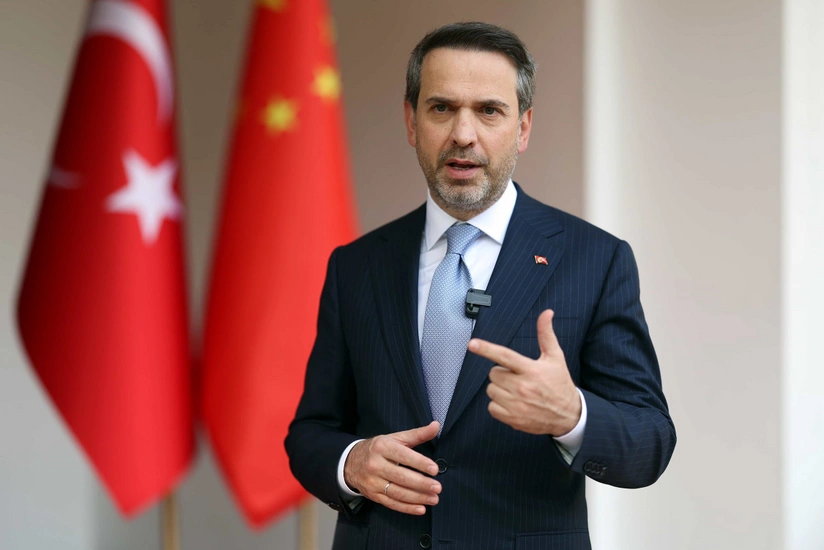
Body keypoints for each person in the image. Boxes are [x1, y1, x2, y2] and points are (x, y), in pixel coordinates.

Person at [286, 21, 675, 549]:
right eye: (441, 108)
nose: (463, 134)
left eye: (489, 111)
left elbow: (650, 442)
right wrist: (351, 463)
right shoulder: (356, 265)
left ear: (523, 127)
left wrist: (572, 415)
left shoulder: (595, 259)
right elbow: (310, 433)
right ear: (411, 121)